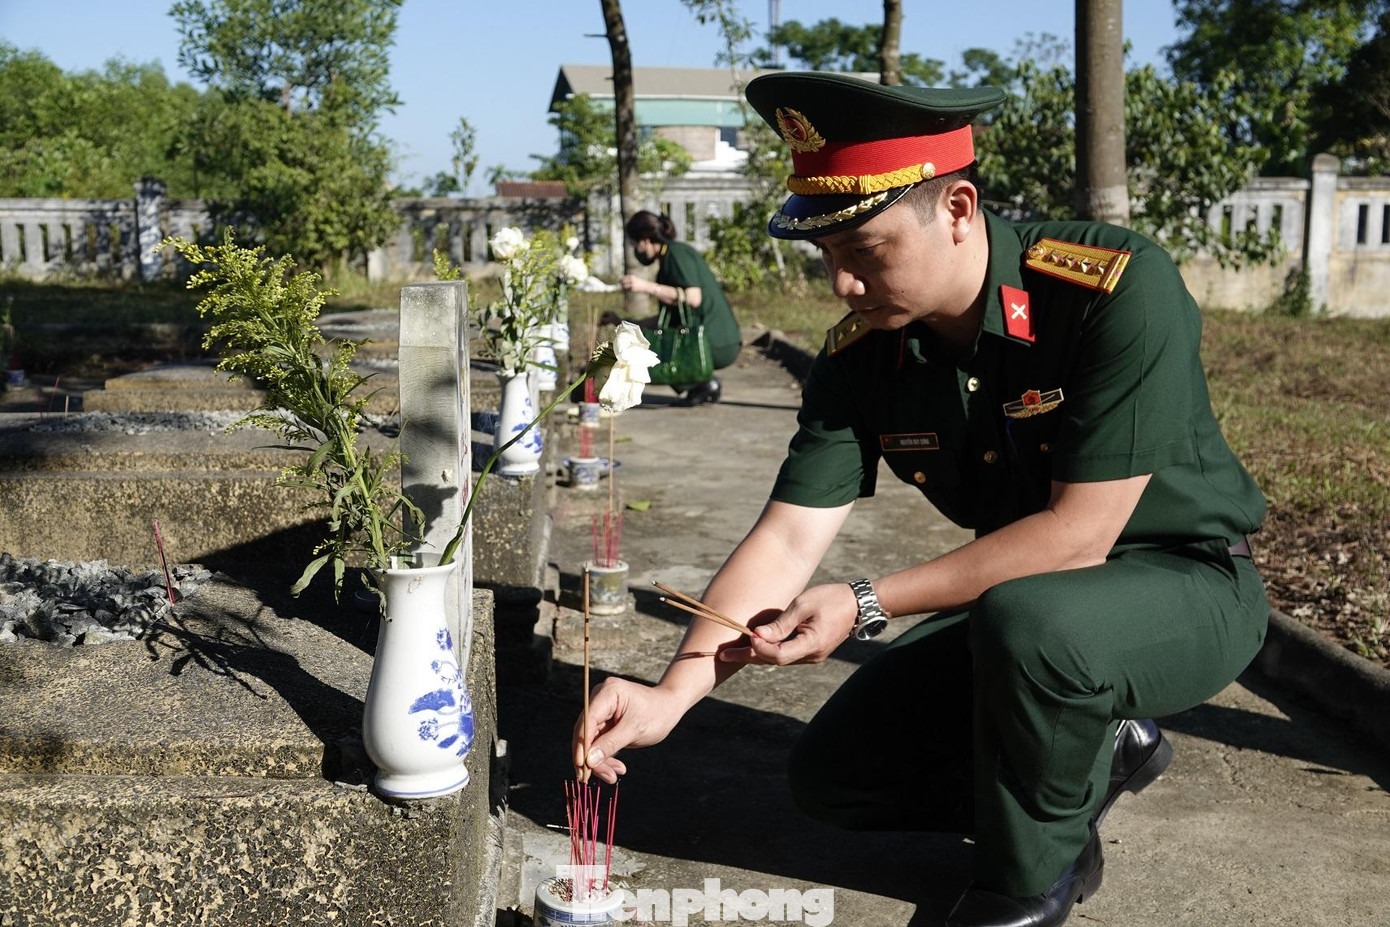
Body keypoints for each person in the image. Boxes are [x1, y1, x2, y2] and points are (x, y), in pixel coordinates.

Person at [574, 73, 1269, 927]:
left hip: (1184, 581)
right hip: (1021, 606)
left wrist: (865, 600)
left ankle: (1034, 871)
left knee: (1037, 627)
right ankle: (1093, 749)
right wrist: (671, 694)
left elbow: (1080, 536)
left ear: (958, 209)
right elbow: (790, 535)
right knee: (835, 776)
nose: (842, 285)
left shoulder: (1111, 293)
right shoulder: (864, 355)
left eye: (865, 251)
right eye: (827, 256)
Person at [616, 211, 740, 405]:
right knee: (652, 342)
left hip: (716, 341)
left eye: (635, 244)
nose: (636, 250)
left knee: (659, 354)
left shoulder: (676, 253)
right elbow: (667, 318)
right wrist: (624, 323)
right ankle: (701, 385)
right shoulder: (668, 259)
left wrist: (645, 287)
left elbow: (693, 298)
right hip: (705, 337)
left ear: (645, 240)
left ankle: (704, 384)